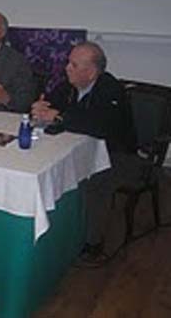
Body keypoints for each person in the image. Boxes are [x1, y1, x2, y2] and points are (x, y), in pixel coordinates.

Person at [31, 41, 137, 262]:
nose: (67, 68)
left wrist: (59, 116)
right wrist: (39, 109)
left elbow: (101, 125)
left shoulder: (110, 89)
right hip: (78, 147)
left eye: (74, 64)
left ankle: (93, 242)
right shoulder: (68, 85)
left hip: (117, 155)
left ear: (91, 72)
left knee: (95, 181)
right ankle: (58, 229)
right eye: (69, 62)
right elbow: (49, 106)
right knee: (47, 167)